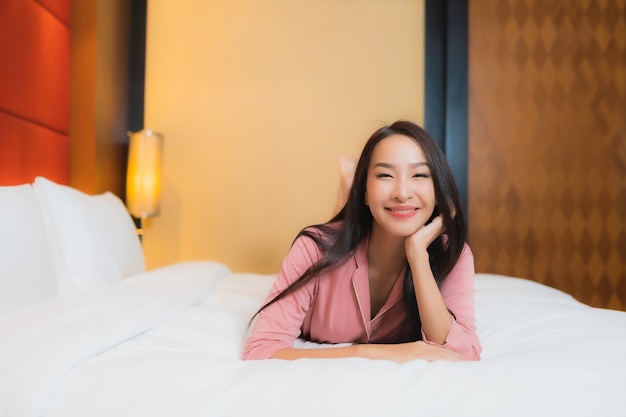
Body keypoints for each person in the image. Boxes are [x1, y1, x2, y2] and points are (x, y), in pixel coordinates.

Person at [243, 120, 481, 362]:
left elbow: (461, 357)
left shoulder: (452, 254)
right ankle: (346, 185)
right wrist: (366, 351)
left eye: (419, 174)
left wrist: (418, 254)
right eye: (385, 175)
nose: (402, 193)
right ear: (365, 191)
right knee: (339, 238)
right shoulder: (313, 247)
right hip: (341, 239)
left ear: (438, 189)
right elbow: (261, 350)